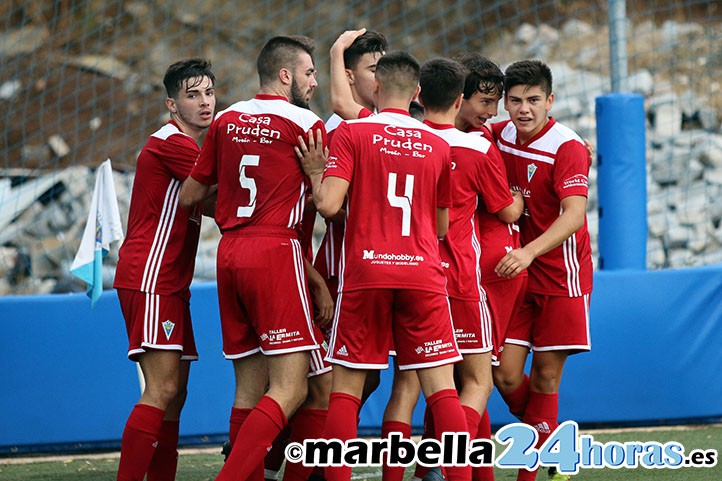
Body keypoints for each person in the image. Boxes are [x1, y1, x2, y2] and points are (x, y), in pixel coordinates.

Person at [298, 50, 470, 481]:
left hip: (367, 272)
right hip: (421, 273)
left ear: (375, 87)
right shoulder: (436, 142)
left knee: (346, 394)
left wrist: (318, 173)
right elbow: (442, 225)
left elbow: (330, 204)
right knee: (442, 391)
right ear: (416, 92)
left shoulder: (354, 135)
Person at [178, 35, 327, 481]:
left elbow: (190, 195)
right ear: (286, 76)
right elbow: (332, 204)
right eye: (308, 73)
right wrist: (316, 177)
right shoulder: (305, 124)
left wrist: (237, 210)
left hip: (230, 252)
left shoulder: (226, 119)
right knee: (292, 387)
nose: (314, 82)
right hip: (278, 253)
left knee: (249, 386)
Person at [113, 58, 216, 481]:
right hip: (150, 278)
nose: (204, 103)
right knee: (163, 389)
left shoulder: (191, 149)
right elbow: (222, 194)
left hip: (172, 283)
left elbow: (211, 204)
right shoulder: (173, 143)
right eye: (192, 96)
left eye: (209, 92)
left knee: (177, 394)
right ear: (172, 105)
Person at [491, 59, 593, 481]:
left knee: (547, 376)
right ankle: (550, 441)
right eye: (514, 101)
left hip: (560, 276)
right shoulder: (498, 134)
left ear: (550, 101)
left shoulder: (567, 147)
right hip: (519, 273)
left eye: (534, 100)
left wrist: (530, 251)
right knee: (504, 373)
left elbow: (574, 216)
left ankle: (530, 471)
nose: (524, 109)